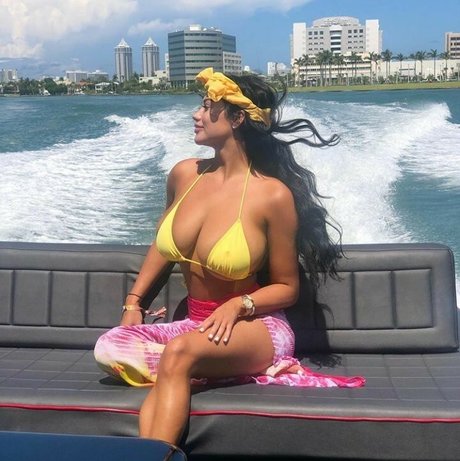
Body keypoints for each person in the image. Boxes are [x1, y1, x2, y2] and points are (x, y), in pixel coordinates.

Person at [94, 68, 364, 445]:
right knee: (110, 346)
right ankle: (205, 368)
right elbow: (162, 245)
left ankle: (156, 451)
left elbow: (287, 287)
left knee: (179, 353)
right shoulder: (183, 175)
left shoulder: (271, 196)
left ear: (237, 118)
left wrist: (239, 305)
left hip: (255, 326)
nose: (197, 114)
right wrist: (134, 302)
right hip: (196, 325)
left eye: (208, 107)